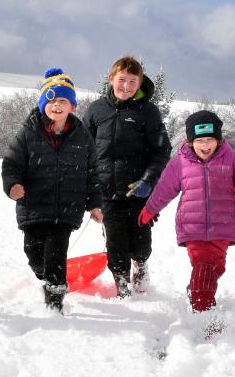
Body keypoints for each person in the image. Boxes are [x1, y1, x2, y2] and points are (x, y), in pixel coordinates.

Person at [2, 68, 104, 313]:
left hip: (67, 207)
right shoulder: (28, 132)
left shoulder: (82, 137)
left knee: (56, 254)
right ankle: (44, 275)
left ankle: (55, 303)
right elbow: (12, 164)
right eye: (51, 100)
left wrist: (94, 203)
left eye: (62, 101)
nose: (56, 105)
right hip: (34, 205)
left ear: (72, 106)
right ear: (41, 105)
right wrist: (12, 185)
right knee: (35, 254)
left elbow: (92, 172)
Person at [137, 111, 235, 312]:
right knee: (204, 266)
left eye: (210, 139)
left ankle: (196, 289)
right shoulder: (180, 163)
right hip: (192, 227)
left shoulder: (232, 158)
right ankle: (203, 314)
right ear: (190, 141)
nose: (205, 145)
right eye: (200, 140)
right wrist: (151, 208)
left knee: (216, 268)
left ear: (218, 140)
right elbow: (164, 189)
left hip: (223, 227)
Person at [83, 56, 172, 298]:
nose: (126, 86)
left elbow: (161, 150)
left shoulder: (148, 112)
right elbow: (83, 149)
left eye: (133, 81)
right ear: (111, 79)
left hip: (138, 190)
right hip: (106, 190)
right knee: (115, 242)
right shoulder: (96, 110)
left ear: (140, 83)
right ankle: (122, 284)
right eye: (122, 80)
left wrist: (149, 180)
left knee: (140, 240)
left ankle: (141, 266)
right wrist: (86, 188)